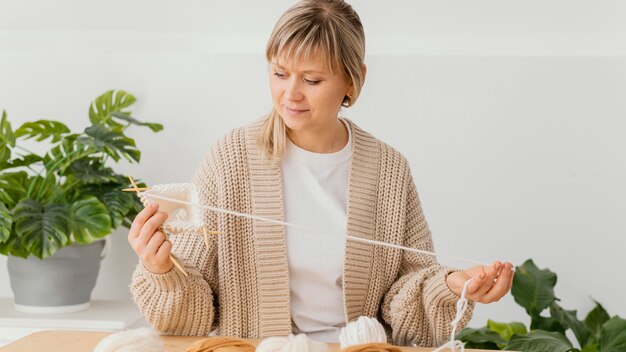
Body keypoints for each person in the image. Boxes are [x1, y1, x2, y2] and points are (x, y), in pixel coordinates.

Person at [128, 0, 514, 347]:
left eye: (312, 80)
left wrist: (451, 286)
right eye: (280, 73)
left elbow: (407, 305)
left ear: (352, 79)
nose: (290, 94)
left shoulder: (388, 170)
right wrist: (163, 270)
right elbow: (187, 321)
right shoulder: (231, 159)